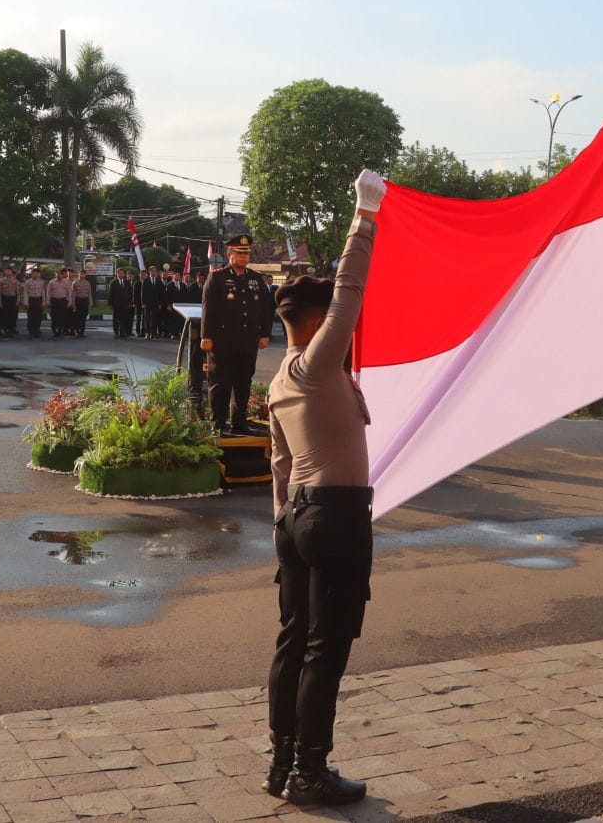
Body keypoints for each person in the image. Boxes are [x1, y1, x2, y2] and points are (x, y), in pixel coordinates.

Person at [263, 170, 385, 807]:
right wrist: (365, 215)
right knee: (325, 650)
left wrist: (283, 524)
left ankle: (282, 763)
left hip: (298, 520)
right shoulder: (315, 363)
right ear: (316, 320)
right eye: (332, 319)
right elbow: (350, 291)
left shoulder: (281, 376)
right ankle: (310, 773)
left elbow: (279, 464)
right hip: (335, 519)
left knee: (294, 642)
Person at [202, 235, 274, 435]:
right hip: (223, 341)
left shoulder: (255, 278)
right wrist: (206, 336)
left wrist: (265, 334)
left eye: (247, 253)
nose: (244, 257)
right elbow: (208, 309)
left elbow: (265, 309)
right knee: (221, 383)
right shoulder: (217, 277)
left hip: (248, 341)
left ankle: (239, 423)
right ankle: (217, 424)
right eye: (240, 253)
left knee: (243, 383)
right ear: (230, 255)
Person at [24, 267, 47, 338]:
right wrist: (26, 302)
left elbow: (43, 293)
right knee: (31, 316)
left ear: (39, 274)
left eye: (37, 273)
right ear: (31, 274)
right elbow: (26, 293)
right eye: (34, 273)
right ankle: (31, 330)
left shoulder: (42, 282)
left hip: (38, 300)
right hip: (31, 300)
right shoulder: (27, 282)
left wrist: (43, 302)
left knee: (38, 316)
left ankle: (37, 330)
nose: (35, 274)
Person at [47, 268, 70, 337]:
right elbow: (48, 292)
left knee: (62, 316)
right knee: (54, 316)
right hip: (54, 301)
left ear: (62, 274)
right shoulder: (51, 282)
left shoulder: (66, 282)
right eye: (57, 273)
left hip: (63, 301)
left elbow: (69, 293)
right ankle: (54, 330)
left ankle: (60, 330)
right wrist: (48, 301)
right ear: (55, 274)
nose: (58, 275)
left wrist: (69, 301)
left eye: (60, 273)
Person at [72, 268, 93, 336]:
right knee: (77, 317)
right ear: (79, 274)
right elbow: (73, 294)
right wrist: (74, 305)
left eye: (84, 274)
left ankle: (82, 331)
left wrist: (90, 303)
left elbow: (89, 293)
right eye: (81, 274)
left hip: (85, 301)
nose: (82, 275)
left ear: (85, 275)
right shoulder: (75, 283)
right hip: (78, 300)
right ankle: (77, 330)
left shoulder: (88, 283)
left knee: (84, 317)